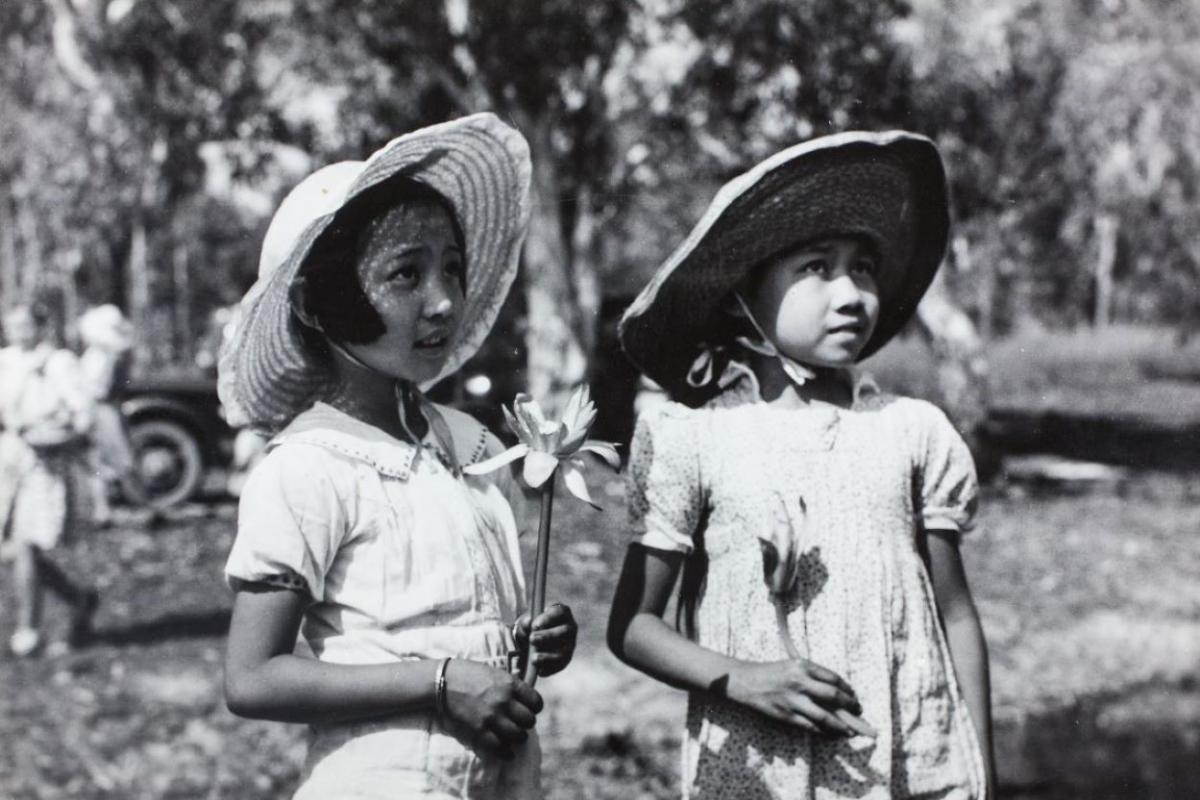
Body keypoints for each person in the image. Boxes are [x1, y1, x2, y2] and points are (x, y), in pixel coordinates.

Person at [607, 132, 995, 799]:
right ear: (740, 297)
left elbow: (956, 613)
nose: (851, 294)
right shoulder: (695, 440)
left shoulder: (911, 431)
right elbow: (634, 627)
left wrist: (982, 772)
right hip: (760, 770)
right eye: (817, 267)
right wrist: (742, 677)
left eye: (864, 267)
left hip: (913, 766)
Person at [219, 113, 577, 799]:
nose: (443, 301)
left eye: (452, 268)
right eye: (405, 274)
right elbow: (253, 677)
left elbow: (466, 616)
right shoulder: (307, 469)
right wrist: (441, 682)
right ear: (319, 304)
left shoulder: (470, 446)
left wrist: (529, 637)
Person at [0, 293, 100, 657]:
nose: (19, 333)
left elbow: (82, 412)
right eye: (12, 326)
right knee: (14, 546)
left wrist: (62, 433)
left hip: (48, 460)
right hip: (11, 459)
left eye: (26, 325)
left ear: (41, 327)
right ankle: (79, 598)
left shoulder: (59, 362)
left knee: (28, 543)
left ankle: (28, 630)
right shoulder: (5, 362)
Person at [78, 304, 141, 525]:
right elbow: (100, 387)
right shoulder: (101, 355)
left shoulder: (106, 355)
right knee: (103, 459)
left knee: (109, 458)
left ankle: (113, 505)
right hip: (100, 408)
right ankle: (103, 508)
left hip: (106, 407)